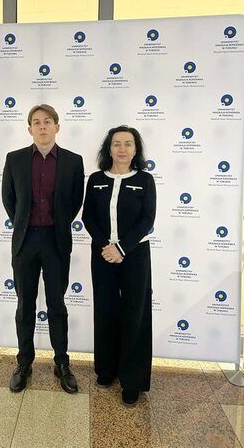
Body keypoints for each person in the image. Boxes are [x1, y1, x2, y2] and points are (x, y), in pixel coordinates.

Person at [2, 104, 84, 394]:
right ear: (29, 129)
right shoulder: (14, 159)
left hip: (55, 241)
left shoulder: (73, 161)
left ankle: (62, 363)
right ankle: (24, 363)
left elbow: (75, 201)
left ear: (57, 127)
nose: (42, 126)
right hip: (25, 242)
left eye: (48, 121)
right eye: (36, 122)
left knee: (56, 304)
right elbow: (9, 199)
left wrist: (56, 224)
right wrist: (25, 223)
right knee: (25, 304)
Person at [82, 126, 156, 407]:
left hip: (135, 255)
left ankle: (132, 381)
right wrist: (106, 246)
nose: (122, 149)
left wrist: (122, 248)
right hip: (102, 254)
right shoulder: (96, 179)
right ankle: (106, 370)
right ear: (109, 149)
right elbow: (88, 217)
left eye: (128, 143)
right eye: (116, 144)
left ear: (136, 149)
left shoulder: (145, 180)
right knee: (105, 311)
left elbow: (147, 219)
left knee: (135, 314)